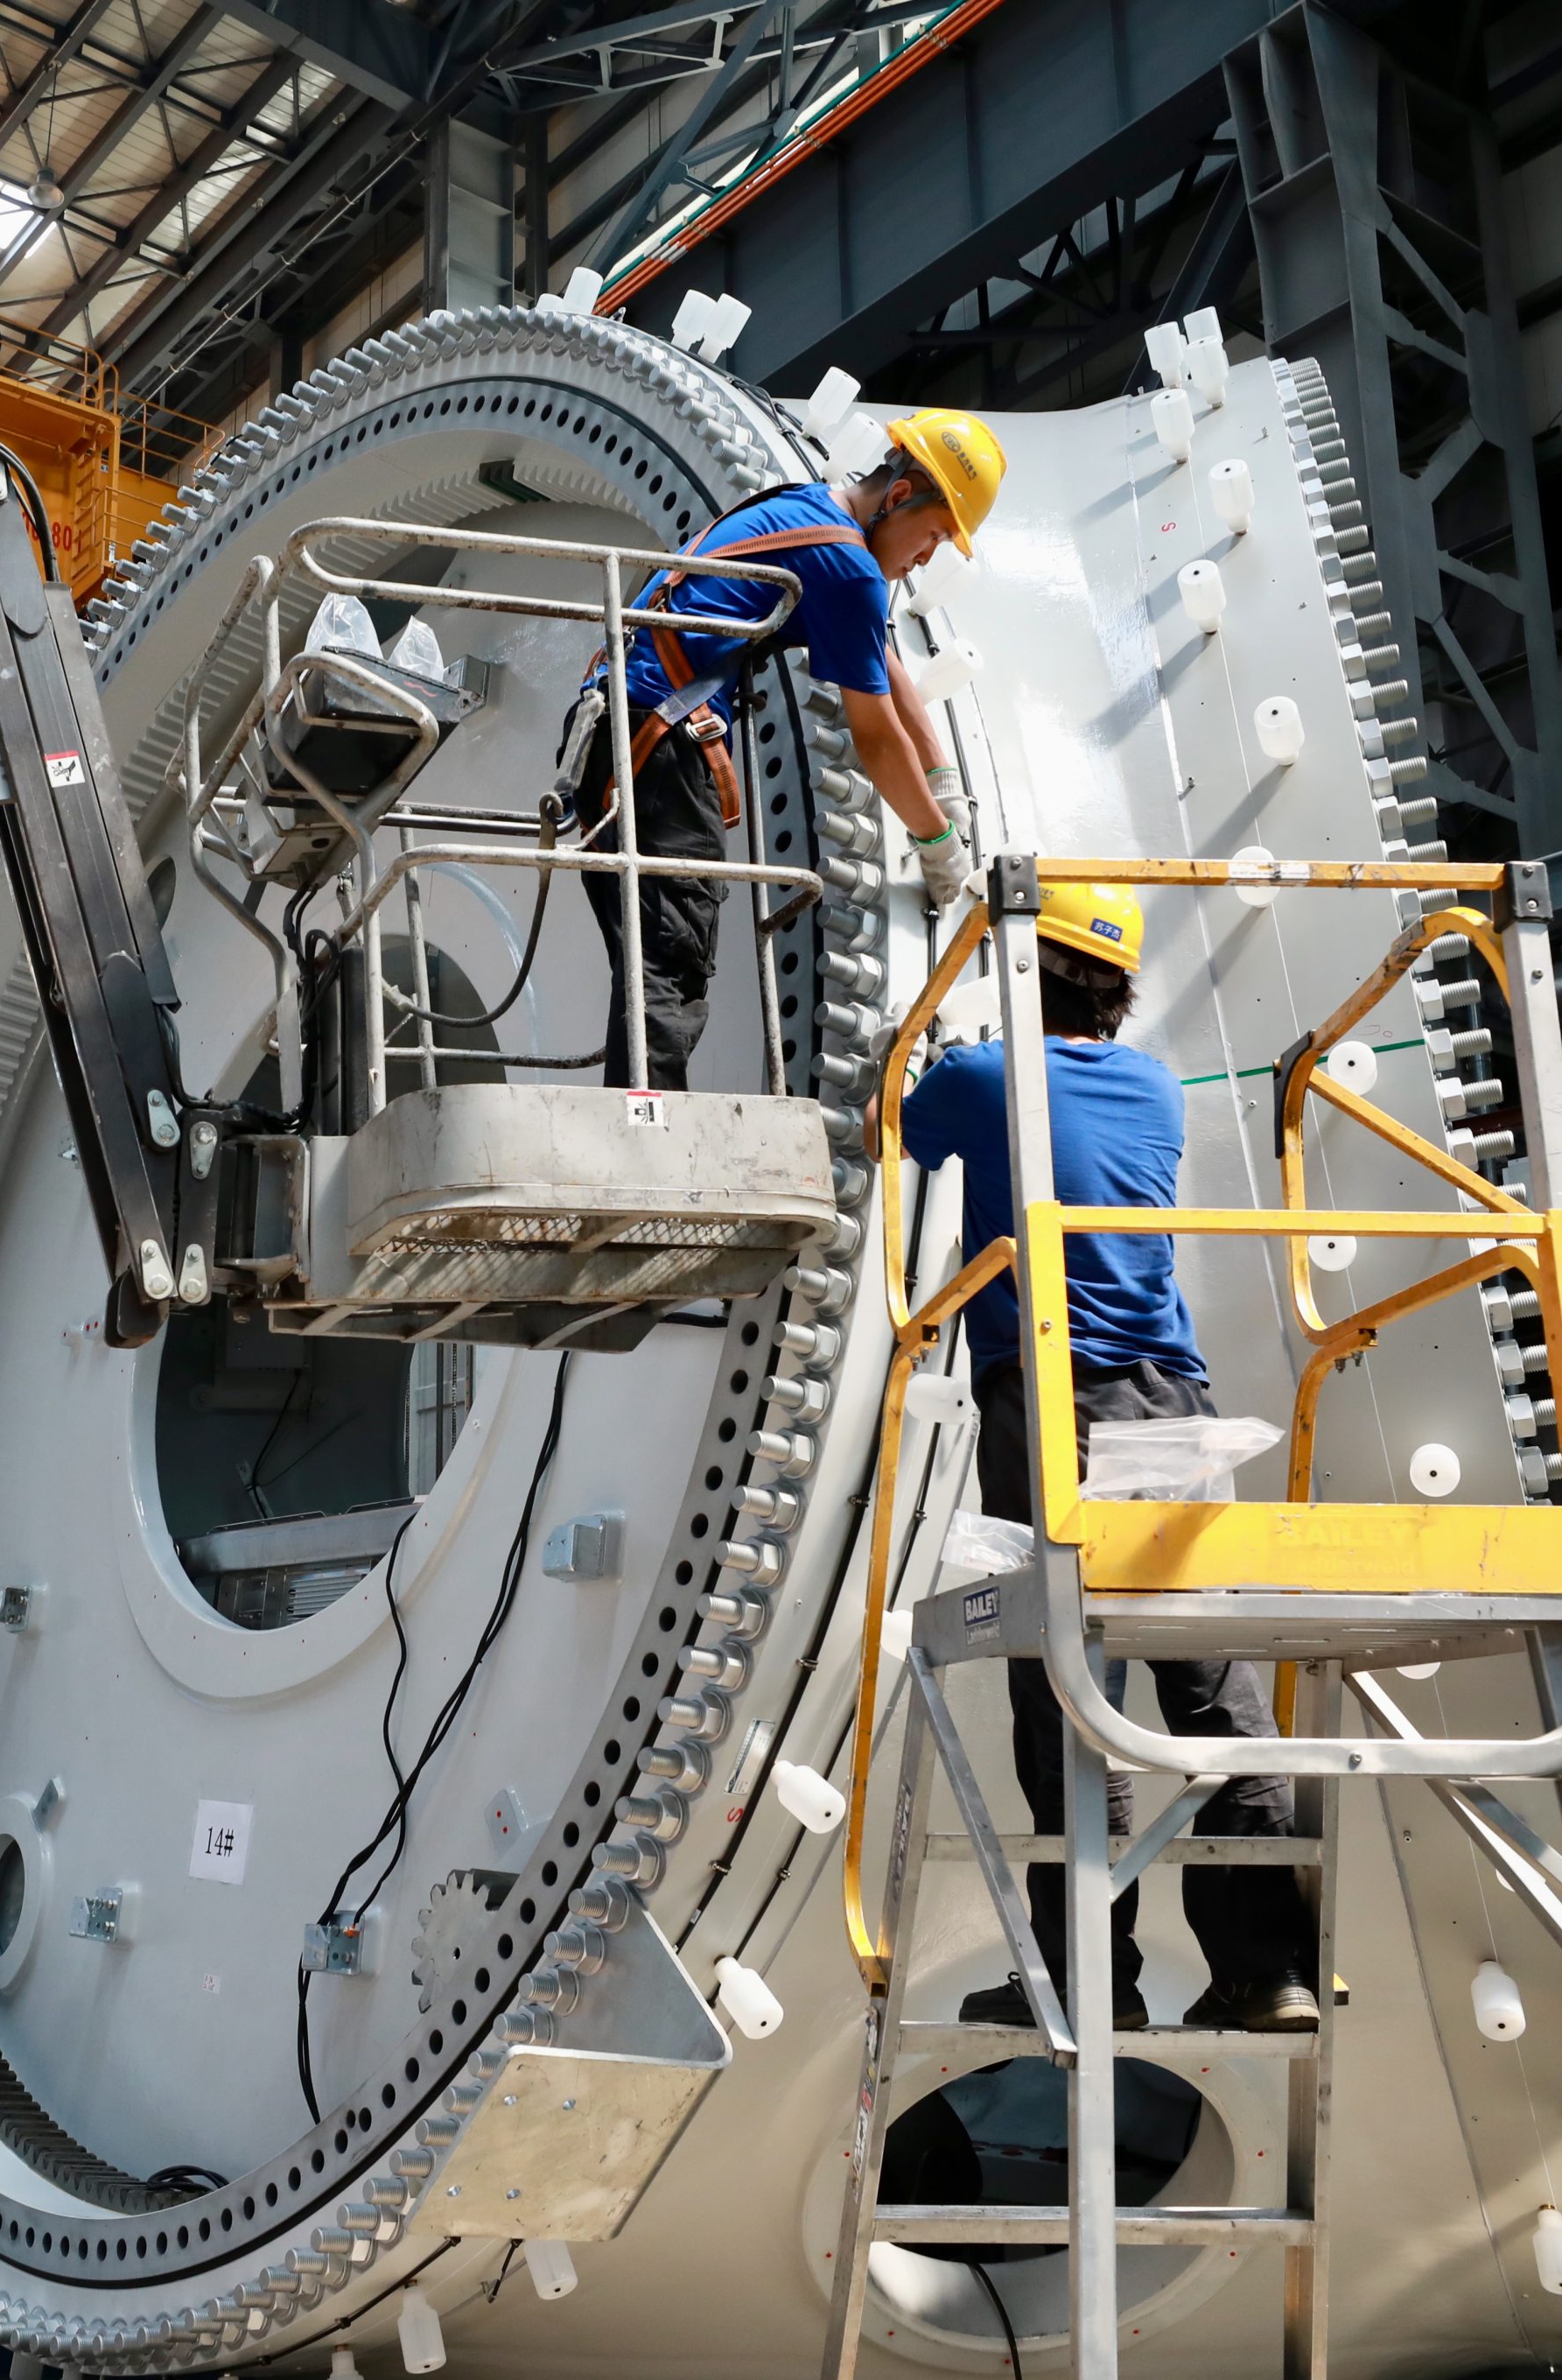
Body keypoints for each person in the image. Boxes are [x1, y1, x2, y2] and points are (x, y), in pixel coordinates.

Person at [896, 880, 1318, 2033]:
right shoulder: (1157, 1086)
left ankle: (1088, 1978)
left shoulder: (982, 1079)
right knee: (1211, 1691)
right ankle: (1263, 1969)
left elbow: (896, 1121)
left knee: (1070, 1698)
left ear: (1024, 971)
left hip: (1050, 1403)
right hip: (1171, 1400)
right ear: (1120, 987)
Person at [563, 409, 1008, 1090]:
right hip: (662, 751)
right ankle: (645, 1139)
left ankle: (637, 1122)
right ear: (898, 497)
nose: (926, 557)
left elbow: (882, 657)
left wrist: (942, 769)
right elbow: (875, 737)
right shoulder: (849, 565)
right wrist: (935, 838)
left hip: (611, 733)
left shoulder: (805, 510)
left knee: (651, 954)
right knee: (668, 957)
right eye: (935, 534)